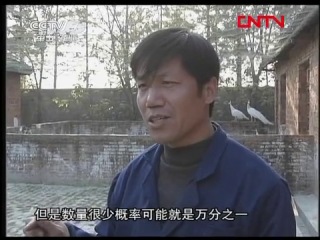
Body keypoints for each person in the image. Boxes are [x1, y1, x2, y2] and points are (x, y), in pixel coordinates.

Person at [23, 27, 296, 237]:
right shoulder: (129, 179)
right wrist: (68, 233)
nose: (151, 99)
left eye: (167, 83)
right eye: (143, 86)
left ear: (209, 90)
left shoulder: (262, 190)